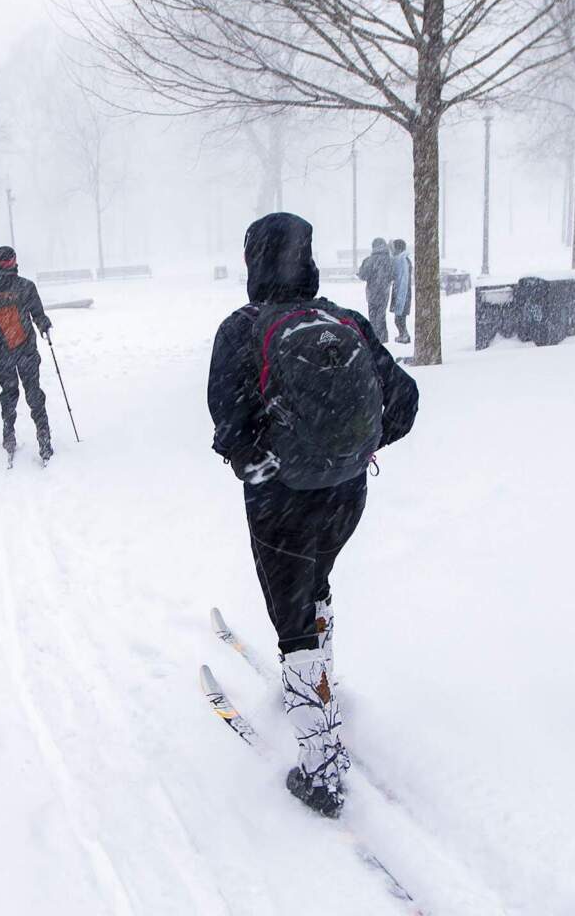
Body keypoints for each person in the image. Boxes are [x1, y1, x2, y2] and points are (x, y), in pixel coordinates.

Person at [207, 212, 418, 818]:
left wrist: (269, 464)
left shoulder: (242, 330)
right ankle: (318, 683)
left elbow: (230, 428)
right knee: (317, 585)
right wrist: (352, 450)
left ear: (254, 261)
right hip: (347, 495)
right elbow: (404, 402)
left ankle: (321, 769)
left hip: (282, 500)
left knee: (292, 620)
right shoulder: (343, 321)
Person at [0, 245, 54, 462]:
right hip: (26, 348)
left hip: (1, 351)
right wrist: (44, 326)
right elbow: (38, 313)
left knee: (9, 393)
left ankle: (8, 435)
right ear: (14, 262)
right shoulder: (26, 286)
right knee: (33, 392)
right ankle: (44, 438)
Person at [356, 237, 394, 345]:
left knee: (373, 315)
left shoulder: (369, 260)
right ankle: (383, 338)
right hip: (385, 292)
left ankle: (374, 338)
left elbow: (364, 275)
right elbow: (392, 275)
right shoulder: (389, 260)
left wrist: (360, 274)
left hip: (372, 292)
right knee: (381, 315)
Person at [389, 237, 413, 344]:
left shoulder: (402, 260)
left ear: (398, 249)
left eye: (394, 248)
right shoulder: (401, 259)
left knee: (399, 318)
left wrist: (400, 297)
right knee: (399, 317)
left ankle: (405, 336)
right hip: (401, 291)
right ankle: (403, 335)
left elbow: (403, 280)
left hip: (402, 292)